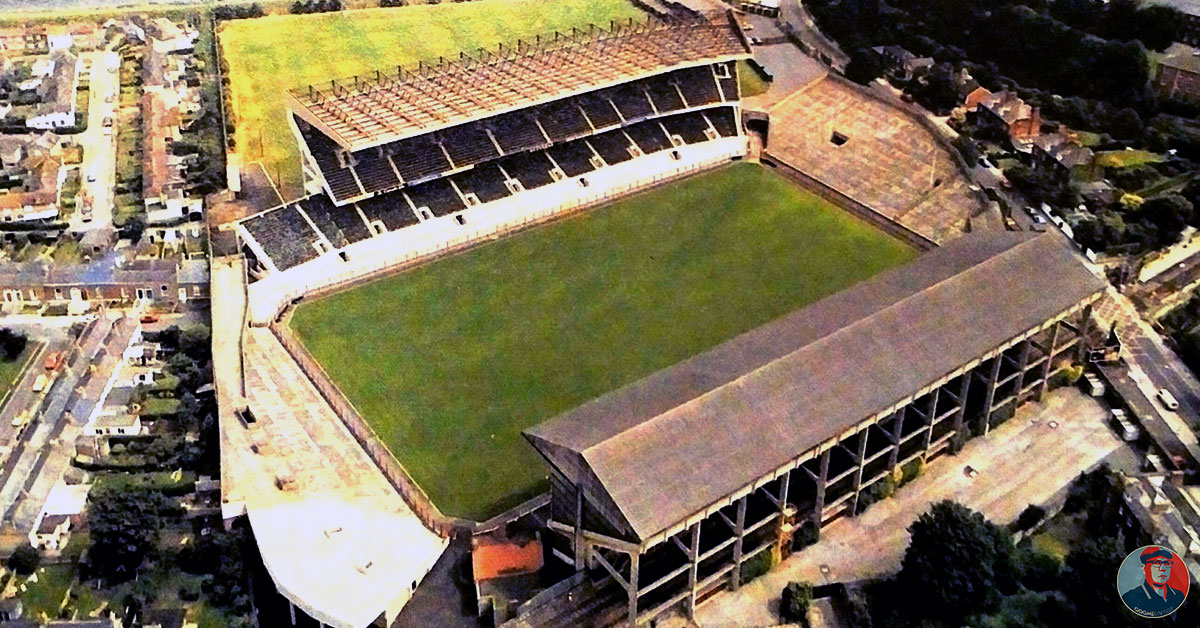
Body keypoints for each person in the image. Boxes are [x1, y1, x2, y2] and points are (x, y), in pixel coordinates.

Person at [1121, 546, 1187, 618]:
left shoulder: (1179, 595)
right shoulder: (1132, 598)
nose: (1162, 568)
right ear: (1144, 568)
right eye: (1156, 562)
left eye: (1167, 563)